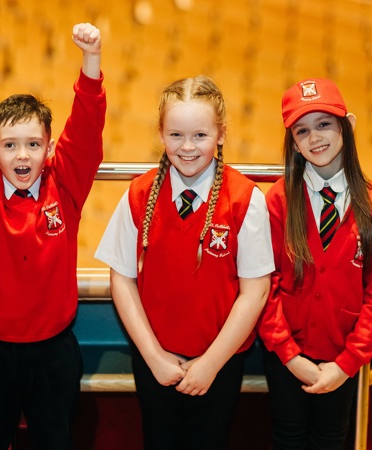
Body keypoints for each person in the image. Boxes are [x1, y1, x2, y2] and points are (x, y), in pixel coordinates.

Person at [0, 20, 105, 450]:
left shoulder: (65, 186)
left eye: (33, 144)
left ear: (50, 150)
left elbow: (85, 130)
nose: (22, 154)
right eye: (10, 145)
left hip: (53, 354)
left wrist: (91, 61)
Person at [95, 76, 274, 450]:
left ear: (221, 134)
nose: (187, 147)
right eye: (176, 135)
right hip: (154, 361)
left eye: (200, 135)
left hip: (220, 363)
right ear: (161, 135)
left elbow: (254, 293)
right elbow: (122, 280)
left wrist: (210, 363)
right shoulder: (138, 194)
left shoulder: (245, 199)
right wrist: (154, 356)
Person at [257, 78, 372, 449]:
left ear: (347, 126)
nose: (315, 137)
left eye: (324, 124)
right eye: (302, 130)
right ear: (294, 142)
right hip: (286, 356)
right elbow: (264, 284)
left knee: (331, 439)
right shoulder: (278, 201)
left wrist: (347, 362)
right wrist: (289, 354)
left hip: (343, 359)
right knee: (287, 436)